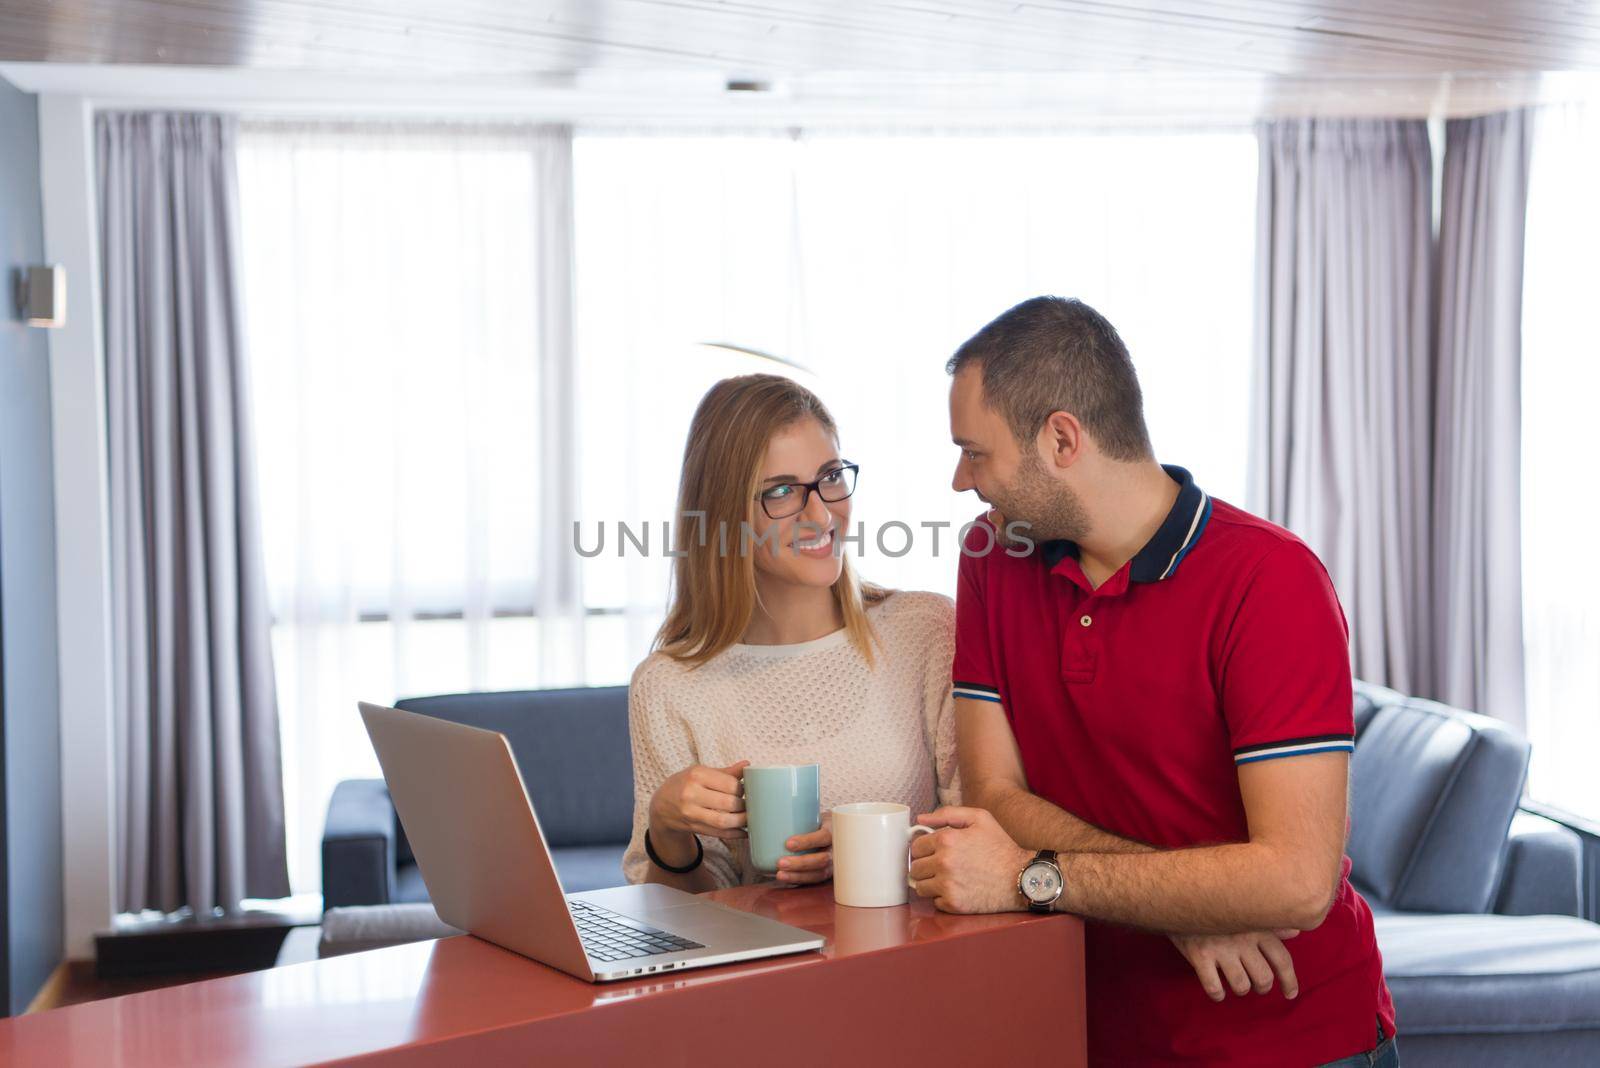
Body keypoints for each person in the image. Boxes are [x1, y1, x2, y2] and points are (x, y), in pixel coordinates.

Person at [910, 297, 1397, 1068]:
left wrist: (1035, 877)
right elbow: (995, 795)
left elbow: (1297, 881)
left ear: (1061, 438)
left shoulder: (1270, 582)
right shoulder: (991, 558)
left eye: (976, 452)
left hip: (1291, 1040)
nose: (961, 479)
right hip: (1093, 1032)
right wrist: (1182, 907)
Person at [623, 373, 959, 891]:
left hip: (913, 955)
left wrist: (862, 850)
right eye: (781, 492)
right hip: (768, 970)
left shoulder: (927, 631)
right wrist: (666, 829)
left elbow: (978, 836)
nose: (821, 513)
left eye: (829, 476)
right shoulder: (669, 685)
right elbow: (690, 919)